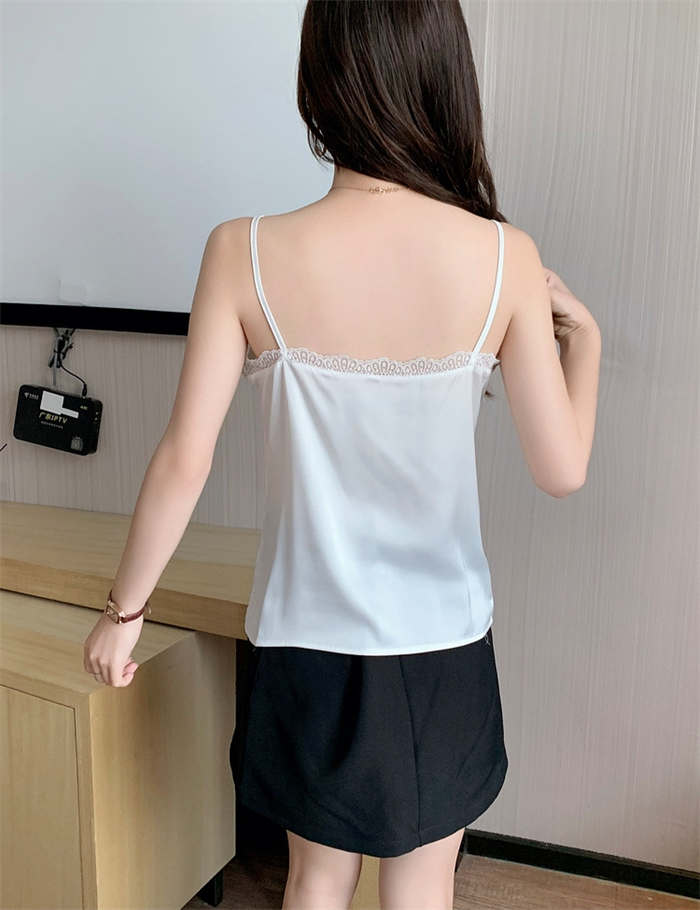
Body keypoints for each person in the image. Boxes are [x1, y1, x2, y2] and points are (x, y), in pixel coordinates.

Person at [83, 1, 601, 908]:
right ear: (445, 77)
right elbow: (562, 471)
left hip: (306, 639)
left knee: (316, 876)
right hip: (443, 641)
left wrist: (123, 613)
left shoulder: (242, 250)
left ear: (319, 79)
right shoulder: (506, 257)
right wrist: (585, 342)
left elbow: (184, 459)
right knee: (423, 882)